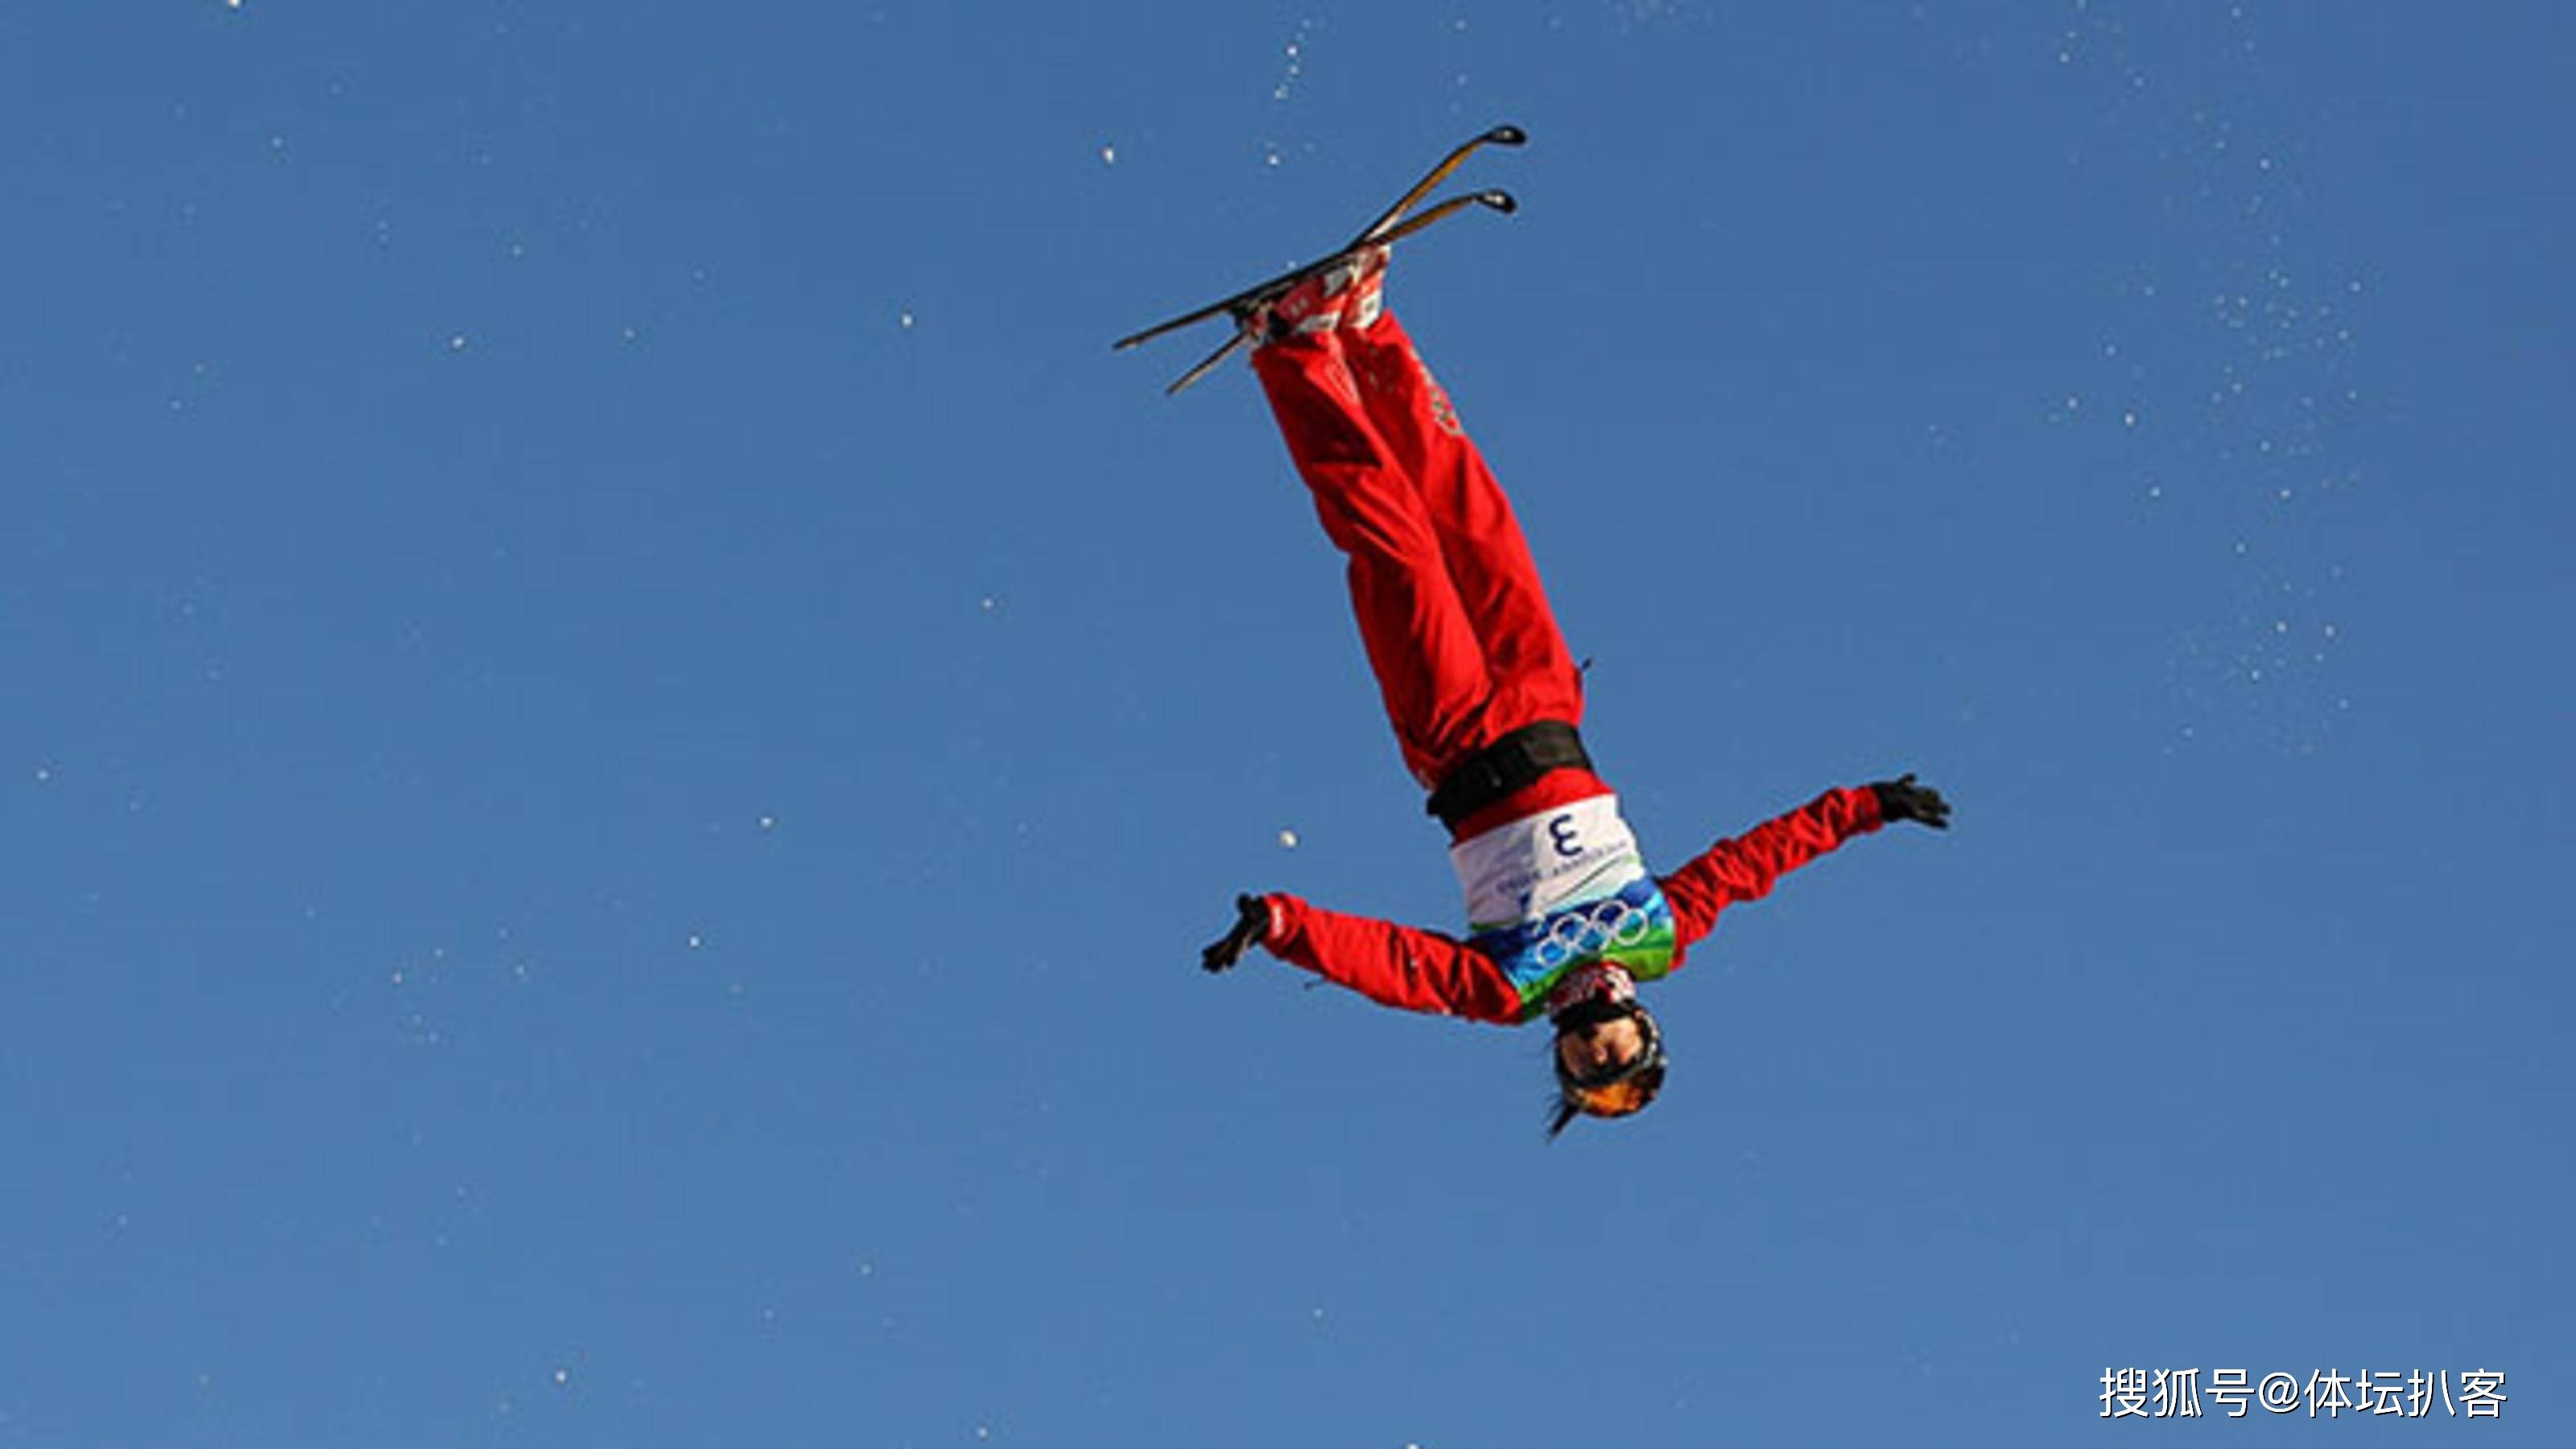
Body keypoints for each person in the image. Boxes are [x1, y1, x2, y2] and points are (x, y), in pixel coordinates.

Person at [1197, 244, 1951, 1137]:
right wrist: (1865, 805)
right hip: (1545, 704)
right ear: (1643, 1029)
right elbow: (1753, 863)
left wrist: (1284, 926)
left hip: (1457, 740)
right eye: (1615, 1059)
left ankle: (1289, 348)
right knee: (1474, 518)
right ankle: (1363, 329)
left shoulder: (1505, 988)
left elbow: (1394, 967)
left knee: (1394, 547)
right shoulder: (1659, 933)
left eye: (1580, 1070)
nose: (1594, 1053)